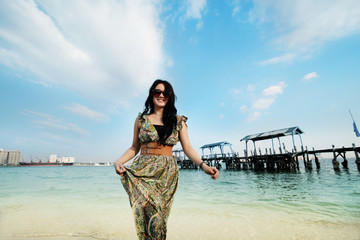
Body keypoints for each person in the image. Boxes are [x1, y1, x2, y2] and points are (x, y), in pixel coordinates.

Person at [114, 79, 219, 239]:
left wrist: (203, 165)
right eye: (157, 92)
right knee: (146, 216)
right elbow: (134, 147)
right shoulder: (141, 120)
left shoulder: (178, 121)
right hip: (143, 173)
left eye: (166, 93)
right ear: (151, 95)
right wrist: (119, 161)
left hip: (167, 175)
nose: (161, 95)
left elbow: (188, 148)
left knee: (159, 220)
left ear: (170, 97)